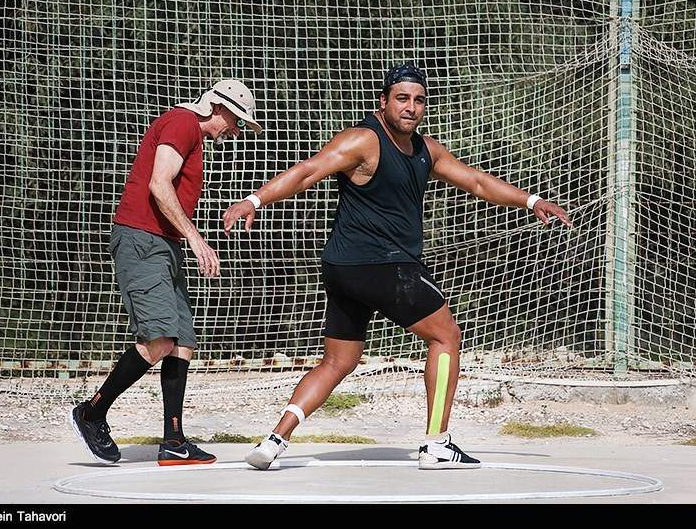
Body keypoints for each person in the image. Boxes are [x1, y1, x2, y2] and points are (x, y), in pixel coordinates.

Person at [223, 63, 571, 470]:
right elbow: (308, 171)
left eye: (419, 100)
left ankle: (273, 441)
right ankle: (437, 443)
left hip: (343, 269)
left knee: (339, 361)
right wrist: (255, 201)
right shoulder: (363, 140)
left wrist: (531, 202)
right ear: (383, 101)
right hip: (383, 266)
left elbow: (476, 182)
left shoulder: (427, 149)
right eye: (402, 98)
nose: (411, 107)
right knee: (446, 337)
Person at [69, 80, 263, 466]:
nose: (237, 131)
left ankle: (174, 441)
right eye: (237, 121)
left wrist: (182, 238)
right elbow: (159, 183)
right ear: (217, 108)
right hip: (142, 241)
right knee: (159, 339)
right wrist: (196, 238)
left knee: (182, 343)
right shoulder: (183, 123)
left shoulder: (192, 134)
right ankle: (92, 412)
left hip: (163, 244)